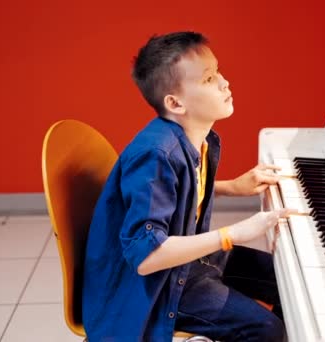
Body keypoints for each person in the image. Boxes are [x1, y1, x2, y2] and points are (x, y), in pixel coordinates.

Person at [82, 31, 291, 342]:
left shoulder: (197, 139)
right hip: (152, 291)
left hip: (188, 264)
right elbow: (146, 258)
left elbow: (175, 190)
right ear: (175, 103)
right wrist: (231, 234)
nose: (224, 83)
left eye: (218, 70)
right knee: (266, 330)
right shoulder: (155, 154)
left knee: (288, 279)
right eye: (209, 79)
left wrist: (231, 187)